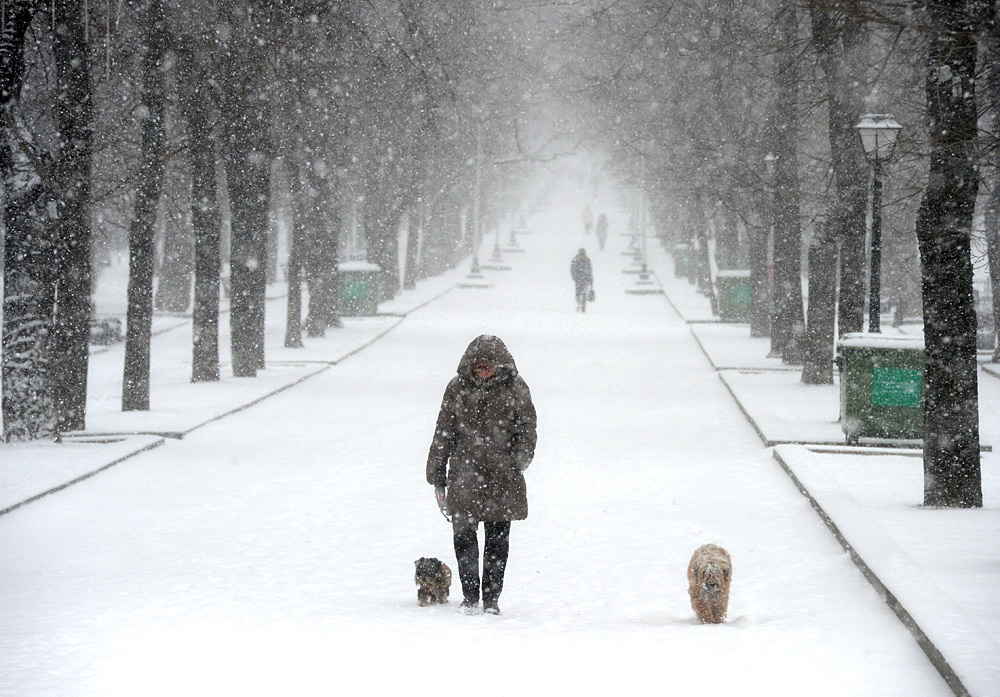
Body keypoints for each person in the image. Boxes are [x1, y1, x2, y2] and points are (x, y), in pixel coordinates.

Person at [426, 335, 538, 615]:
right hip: (465, 474)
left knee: (498, 540)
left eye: (488, 367)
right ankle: (469, 595)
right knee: (463, 536)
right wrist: (437, 474)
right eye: (479, 368)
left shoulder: (515, 388)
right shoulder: (457, 389)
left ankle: (491, 599)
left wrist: (518, 460)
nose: (483, 372)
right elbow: (443, 432)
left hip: (503, 476)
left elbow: (527, 427)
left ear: (499, 366)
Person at [570, 248, 594, 312]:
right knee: (581, 292)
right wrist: (590, 278)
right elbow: (589, 270)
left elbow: (573, 269)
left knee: (581, 292)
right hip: (582, 278)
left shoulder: (577, 260)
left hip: (582, 279)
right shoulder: (586, 260)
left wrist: (575, 276)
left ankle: (581, 304)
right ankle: (581, 304)